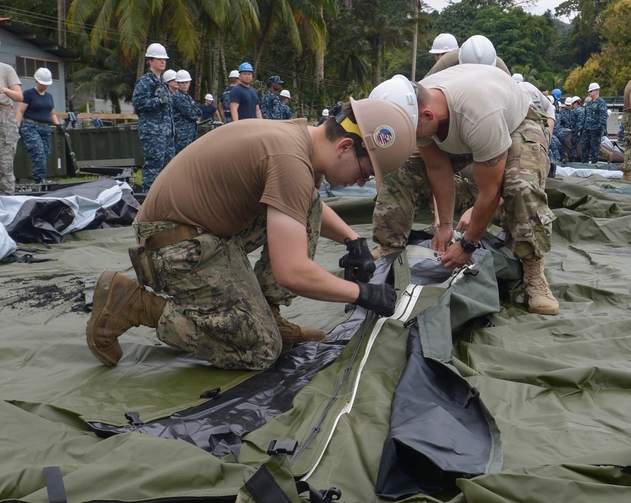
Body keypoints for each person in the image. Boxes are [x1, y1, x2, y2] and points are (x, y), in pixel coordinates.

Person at [86, 99, 417, 370]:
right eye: (365, 173)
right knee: (260, 350)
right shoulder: (291, 160)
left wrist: (352, 240)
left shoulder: (299, 139)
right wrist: (360, 293)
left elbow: (306, 205)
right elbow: (292, 272)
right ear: (346, 146)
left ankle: (268, 314)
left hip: (195, 232)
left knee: (309, 205)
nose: (361, 183)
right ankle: (135, 304)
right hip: (172, 247)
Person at [369, 66, 559, 315]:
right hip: (468, 118)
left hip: (517, 121)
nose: (413, 138)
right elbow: (437, 169)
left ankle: (534, 270)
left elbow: (490, 190)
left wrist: (468, 244)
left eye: (412, 132)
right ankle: (390, 247)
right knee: (402, 168)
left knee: (519, 185)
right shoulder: (419, 105)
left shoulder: (479, 116)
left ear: (427, 116)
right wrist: (446, 224)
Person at [132, 43, 175, 192]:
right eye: (158, 59)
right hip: (152, 131)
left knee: (168, 166)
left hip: (166, 132)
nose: (162, 61)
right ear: (150, 61)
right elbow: (138, 103)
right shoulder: (145, 82)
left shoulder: (163, 83)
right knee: (153, 166)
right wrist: (157, 101)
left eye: (164, 59)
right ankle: (148, 199)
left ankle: (163, 197)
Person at [16, 67, 60, 182]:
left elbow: (52, 113)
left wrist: (58, 124)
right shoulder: (29, 94)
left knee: (45, 153)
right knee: (38, 153)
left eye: (46, 84)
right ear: (37, 81)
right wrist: (17, 126)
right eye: (42, 83)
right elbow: (20, 111)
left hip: (45, 128)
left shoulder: (49, 96)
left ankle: (40, 177)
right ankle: (39, 180)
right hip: (30, 127)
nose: (44, 86)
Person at [424, 34, 512, 77]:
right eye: (437, 54)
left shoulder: (498, 64)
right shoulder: (446, 61)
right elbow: (425, 84)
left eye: (443, 54)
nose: (440, 57)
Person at [0, 60, 23, 194]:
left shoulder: (6, 69)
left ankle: (7, 205)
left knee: (5, 166)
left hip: (4, 118)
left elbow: (19, 96)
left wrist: (5, 90)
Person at [171, 70, 200, 153]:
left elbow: (199, 112)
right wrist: (194, 111)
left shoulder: (187, 97)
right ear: (178, 83)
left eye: (186, 82)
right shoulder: (177, 97)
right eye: (182, 82)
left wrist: (194, 111)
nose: (185, 85)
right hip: (181, 134)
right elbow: (191, 114)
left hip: (190, 133)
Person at [581, 83, 607, 164]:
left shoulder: (601, 102)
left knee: (594, 148)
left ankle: (594, 163)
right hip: (587, 129)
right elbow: (585, 116)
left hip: (595, 129)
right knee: (585, 147)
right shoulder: (589, 103)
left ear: (596, 91)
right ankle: (584, 163)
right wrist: (582, 128)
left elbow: (603, 116)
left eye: (591, 91)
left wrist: (600, 127)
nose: (589, 93)